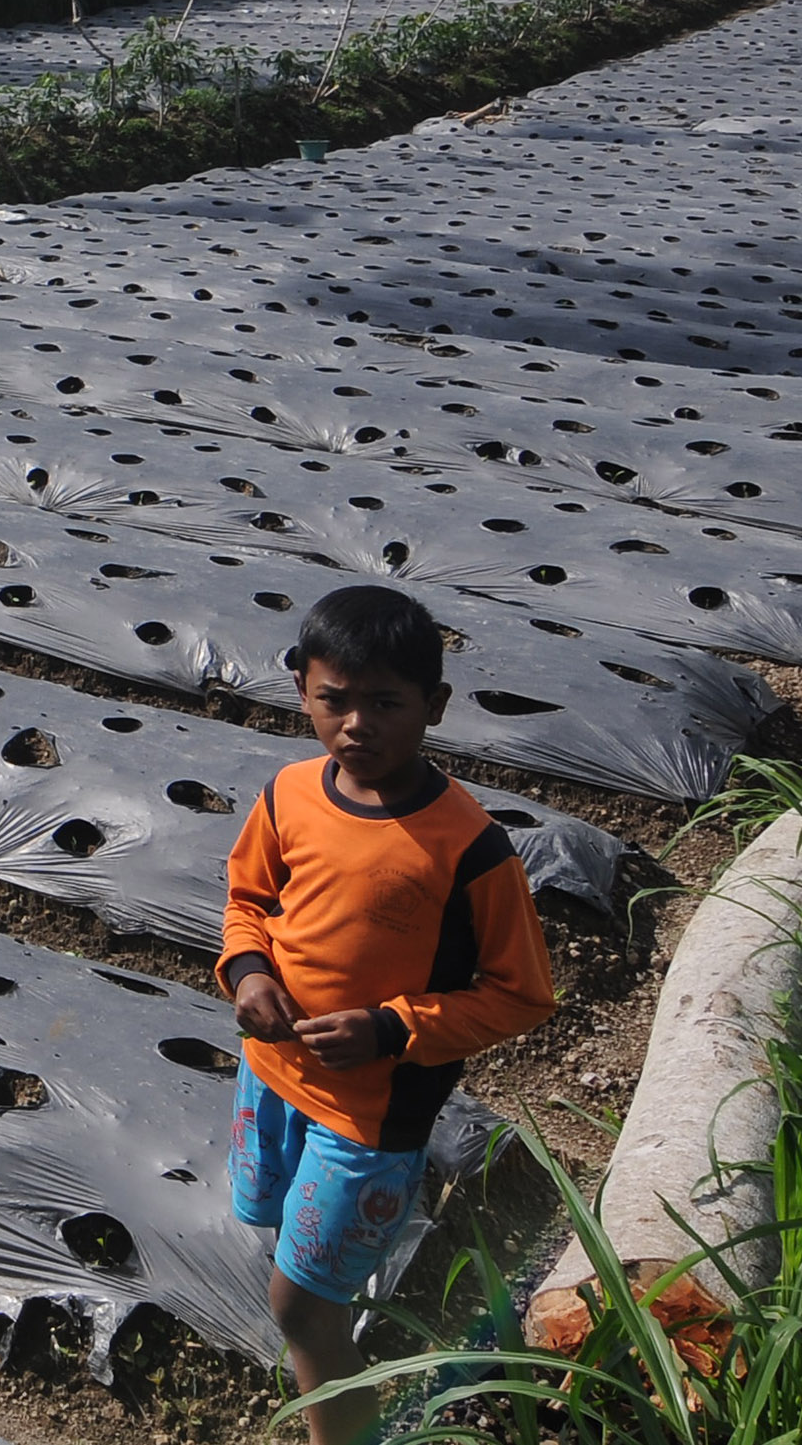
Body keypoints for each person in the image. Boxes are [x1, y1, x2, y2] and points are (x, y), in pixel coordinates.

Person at [219, 583, 557, 1445]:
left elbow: (521, 993)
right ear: (302, 689)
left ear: (434, 706)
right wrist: (248, 969)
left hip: (371, 1118)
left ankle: (341, 1413)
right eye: (334, 699)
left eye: (385, 703)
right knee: (279, 1237)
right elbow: (248, 895)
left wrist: (393, 1028)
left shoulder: (468, 847)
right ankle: (331, 1348)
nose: (356, 724)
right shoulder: (290, 793)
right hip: (272, 1078)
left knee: (299, 1304)